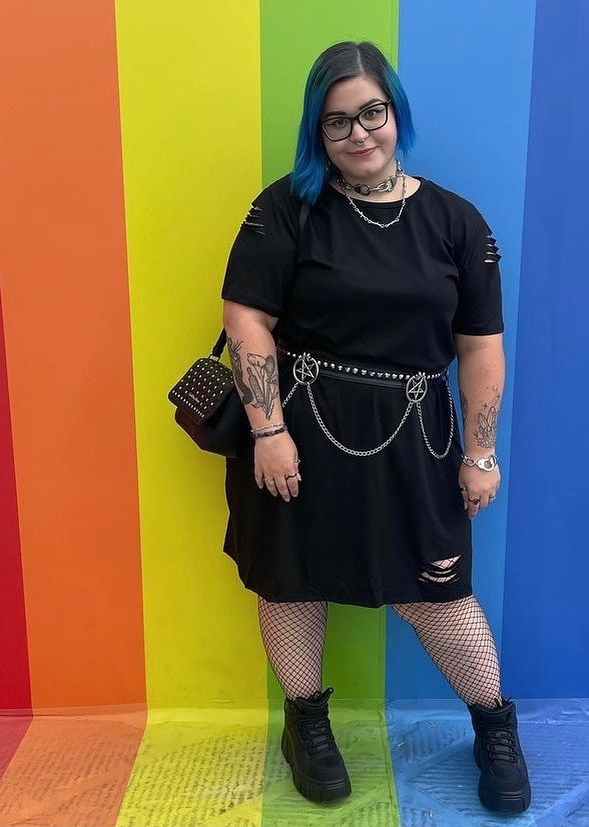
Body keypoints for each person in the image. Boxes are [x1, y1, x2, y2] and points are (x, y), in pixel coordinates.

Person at [219, 41, 531, 814]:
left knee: (437, 593)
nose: (358, 133)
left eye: (371, 113)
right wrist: (267, 431)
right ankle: (305, 725)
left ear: (395, 113)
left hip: (416, 443)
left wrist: (480, 453)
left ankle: (494, 727)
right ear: (316, 131)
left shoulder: (456, 222)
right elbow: (246, 317)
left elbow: (479, 347)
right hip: (299, 433)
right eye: (337, 121)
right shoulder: (284, 210)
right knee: (292, 581)